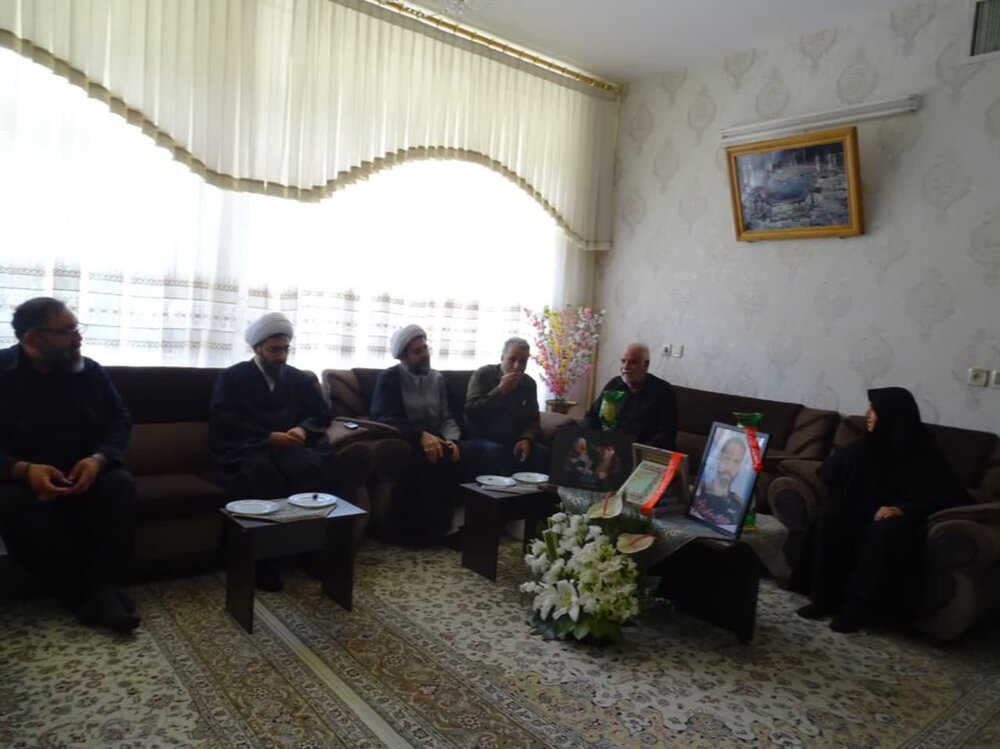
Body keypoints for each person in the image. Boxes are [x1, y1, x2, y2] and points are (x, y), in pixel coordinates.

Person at [0, 297, 140, 632]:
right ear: (32, 338)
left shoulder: (89, 371)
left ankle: (101, 589)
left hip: (86, 468)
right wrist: (24, 470)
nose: (78, 338)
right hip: (17, 475)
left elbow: (119, 419)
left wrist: (98, 459)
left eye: (77, 328)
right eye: (66, 331)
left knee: (119, 486)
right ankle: (87, 596)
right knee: (12, 505)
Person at [791, 387, 968, 633]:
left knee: (884, 533)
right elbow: (831, 473)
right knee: (829, 516)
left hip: (899, 518)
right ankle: (825, 599)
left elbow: (949, 495)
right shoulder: (867, 445)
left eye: (874, 410)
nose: (867, 415)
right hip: (862, 511)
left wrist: (903, 509)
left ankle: (857, 609)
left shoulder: (922, 452)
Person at [208, 311, 341, 591]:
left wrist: (302, 429)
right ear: (257, 348)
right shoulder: (233, 377)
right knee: (259, 473)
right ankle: (260, 561)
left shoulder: (298, 378)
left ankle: (308, 552)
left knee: (311, 468)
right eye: (274, 350)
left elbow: (320, 413)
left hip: (289, 446)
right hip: (249, 446)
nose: (281, 357)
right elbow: (225, 420)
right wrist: (268, 436)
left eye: (285, 349)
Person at [370, 324, 502, 546]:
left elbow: (448, 416)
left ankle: (466, 524)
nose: (424, 355)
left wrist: (452, 440)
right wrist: (420, 435)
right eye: (417, 351)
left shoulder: (438, 379)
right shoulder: (389, 378)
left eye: (425, 348)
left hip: (439, 436)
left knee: (468, 453)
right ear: (403, 357)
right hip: (407, 437)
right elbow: (384, 417)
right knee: (430, 460)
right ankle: (434, 531)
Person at [465, 337, 549, 475]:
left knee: (541, 453)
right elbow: (472, 412)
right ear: (502, 358)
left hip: (514, 439)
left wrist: (526, 438)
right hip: (483, 436)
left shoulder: (529, 384)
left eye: (522, 361)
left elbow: (533, 421)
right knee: (495, 451)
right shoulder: (483, 375)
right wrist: (500, 391)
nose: (517, 366)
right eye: (512, 359)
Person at [585, 343, 678, 449]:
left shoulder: (664, 391)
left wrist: (634, 451)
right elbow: (592, 415)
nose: (626, 367)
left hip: (642, 451)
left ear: (646, 365)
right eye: (623, 361)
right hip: (610, 448)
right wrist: (592, 439)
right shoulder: (614, 385)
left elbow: (666, 435)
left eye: (633, 362)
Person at [691, 437, 747, 527]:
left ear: (739, 468)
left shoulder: (740, 505)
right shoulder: (697, 491)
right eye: (727, 458)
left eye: (736, 462)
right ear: (719, 459)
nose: (729, 466)